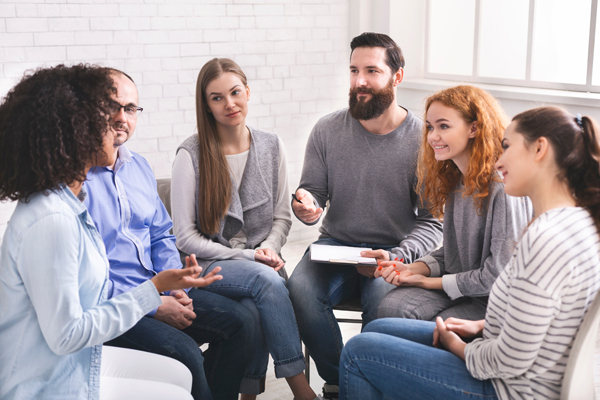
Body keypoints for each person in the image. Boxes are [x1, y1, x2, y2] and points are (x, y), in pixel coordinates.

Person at [339, 106, 600, 400]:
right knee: (381, 327)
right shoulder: (577, 220)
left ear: (539, 148)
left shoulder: (545, 239)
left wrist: (459, 347)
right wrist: (481, 326)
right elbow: (543, 319)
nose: (499, 160)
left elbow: (509, 360)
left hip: (509, 389)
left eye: (507, 147)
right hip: (516, 366)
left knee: (358, 352)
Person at [0, 64, 223, 400]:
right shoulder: (54, 221)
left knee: (180, 374)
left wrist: (161, 284)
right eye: (102, 120)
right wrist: (153, 291)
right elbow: (67, 335)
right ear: (75, 134)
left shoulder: (70, 202)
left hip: (74, 361)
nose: (118, 126)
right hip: (48, 382)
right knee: (179, 386)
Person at [286, 32, 443, 398]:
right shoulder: (327, 130)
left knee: (384, 302)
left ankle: (371, 380)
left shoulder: (423, 140)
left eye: (372, 70)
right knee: (300, 290)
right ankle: (341, 381)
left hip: (393, 250)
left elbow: (433, 221)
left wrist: (399, 256)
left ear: (397, 77)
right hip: (335, 245)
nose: (359, 81)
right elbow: (314, 199)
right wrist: (306, 207)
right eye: (354, 70)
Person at [83, 68, 254, 400]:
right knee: (185, 353)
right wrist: (152, 303)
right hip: (112, 307)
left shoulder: (139, 167)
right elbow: (86, 278)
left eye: (130, 109)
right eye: (112, 106)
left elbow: (161, 234)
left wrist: (171, 285)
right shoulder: (75, 181)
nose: (122, 117)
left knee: (241, 323)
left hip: (158, 287)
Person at [170, 58, 319, 400]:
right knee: (267, 281)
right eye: (217, 98)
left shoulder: (271, 145)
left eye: (235, 93)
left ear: (248, 93)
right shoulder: (189, 155)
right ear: (206, 105)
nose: (229, 104)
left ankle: (248, 395)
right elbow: (185, 238)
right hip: (208, 263)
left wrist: (268, 247)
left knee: (255, 306)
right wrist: (250, 256)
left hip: (260, 259)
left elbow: (282, 217)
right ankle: (301, 389)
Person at [376, 85, 532, 321]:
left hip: (498, 303)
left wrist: (428, 283)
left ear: (474, 128)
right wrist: (412, 268)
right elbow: (453, 255)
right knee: (392, 306)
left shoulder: (503, 188)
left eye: (444, 126)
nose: (432, 136)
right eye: (430, 127)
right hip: (465, 290)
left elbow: (498, 275)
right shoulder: (455, 180)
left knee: (418, 322)